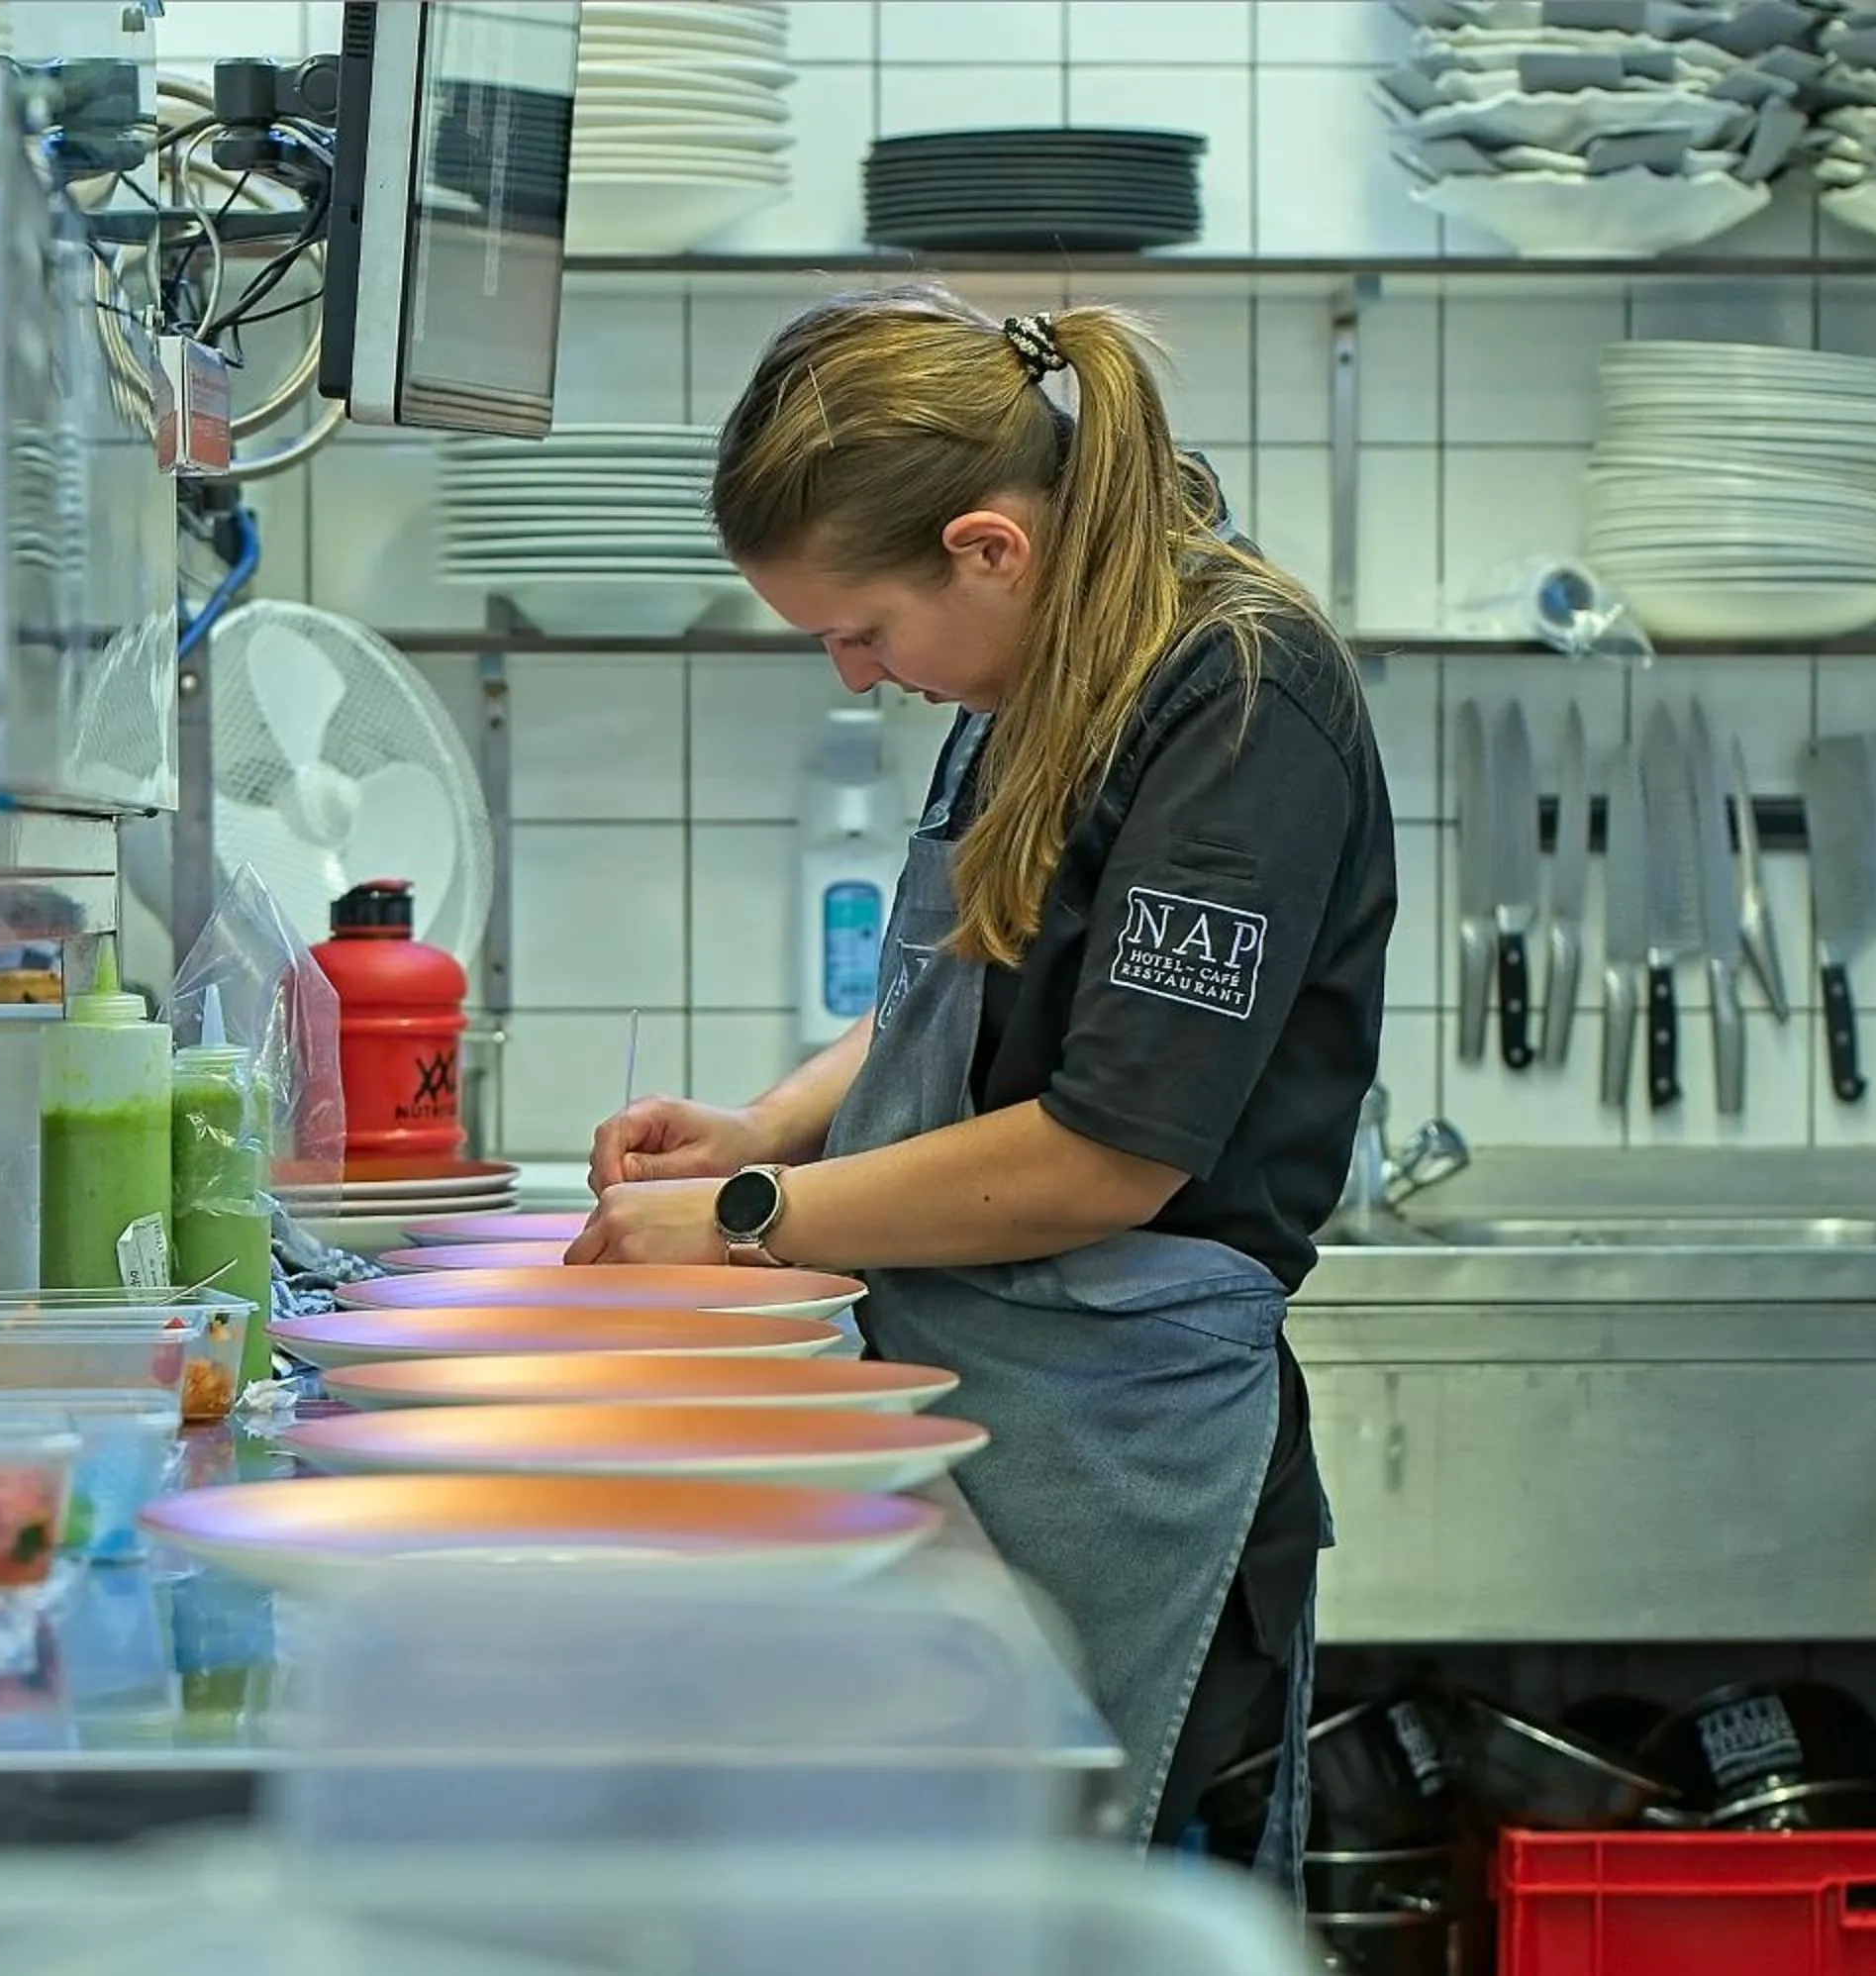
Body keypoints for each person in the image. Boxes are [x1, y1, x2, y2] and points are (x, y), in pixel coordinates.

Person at [568, 287, 1394, 1882]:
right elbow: (952, 1000)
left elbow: (1107, 1152)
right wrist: (767, 1126)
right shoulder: (1034, 671)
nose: (854, 679)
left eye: (861, 631)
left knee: (1102, 1891)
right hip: (968, 1386)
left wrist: (752, 1215)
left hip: (1119, 1436)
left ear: (989, 548)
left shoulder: (1232, 700)